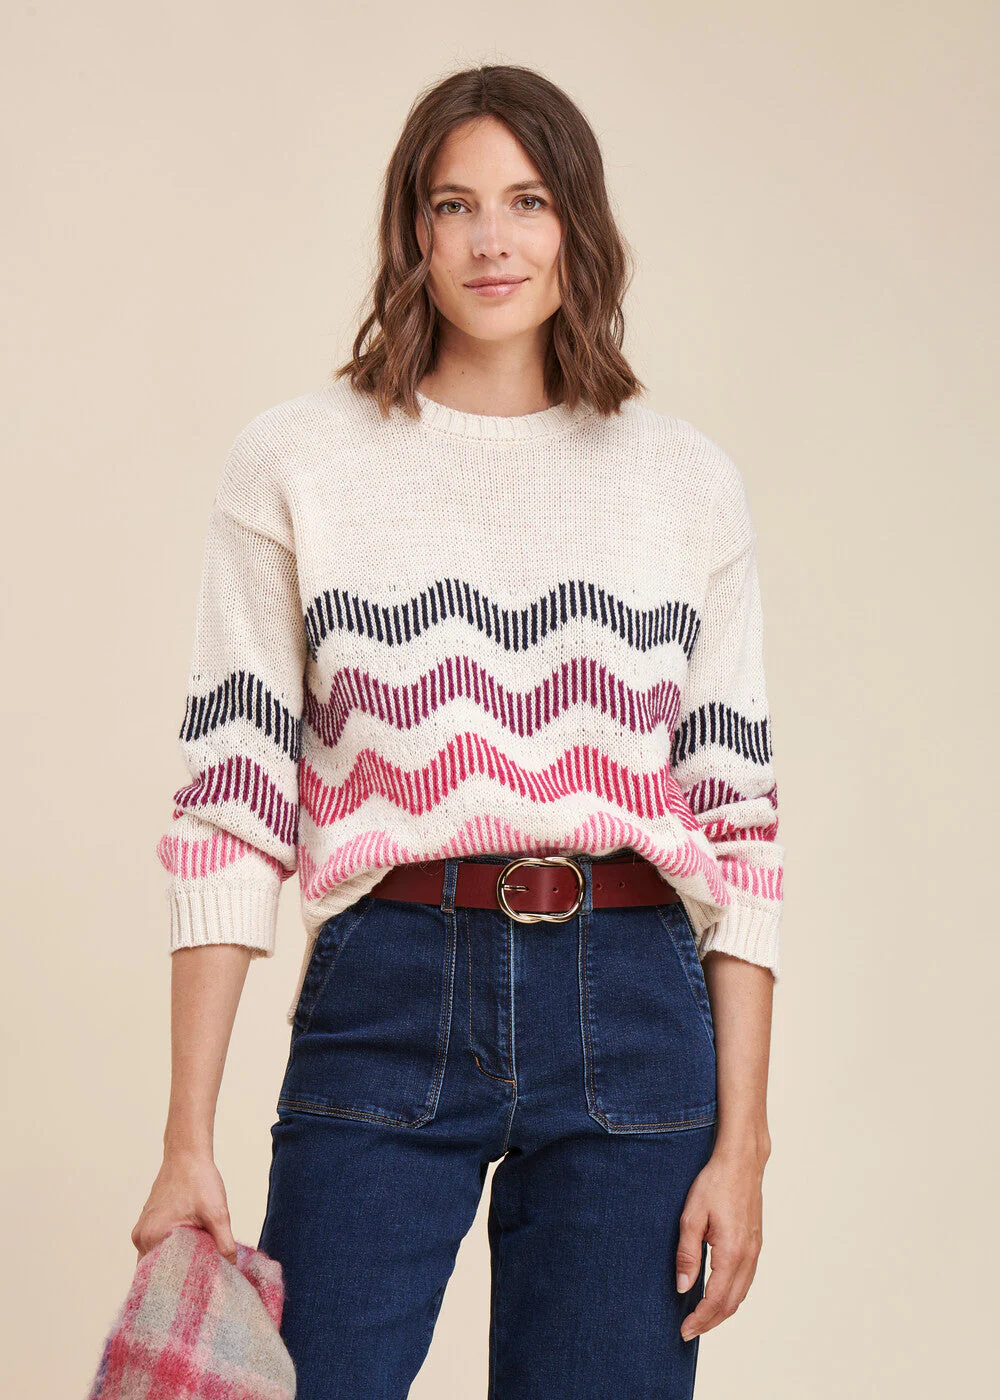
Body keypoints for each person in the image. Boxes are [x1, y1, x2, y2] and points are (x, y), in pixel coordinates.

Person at [131, 63, 784, 1400]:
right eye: (456, 204)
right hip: (389, 982)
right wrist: (186, 1134)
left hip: (634, 1000)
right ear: (412, 232)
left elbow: (741, 828)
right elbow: (230, 805)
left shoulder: (685, 483)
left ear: (578, 225)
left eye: (528, 201)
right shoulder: (297, 461)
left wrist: (746, 1143)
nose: (494, 239)